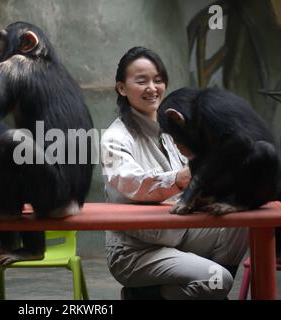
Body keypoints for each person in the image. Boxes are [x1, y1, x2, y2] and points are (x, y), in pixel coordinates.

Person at [101, 47, 248, 300]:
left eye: (158, 80)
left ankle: (206, 291)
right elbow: (129, 182)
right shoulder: (115, 137)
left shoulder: (171, 124)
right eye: (141, 80)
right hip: (136, 251)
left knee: (241, 220)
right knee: (218, 279)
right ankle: (144, 295)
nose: (152, 87)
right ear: (121, 88)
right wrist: (179, 178)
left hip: (178, 233)